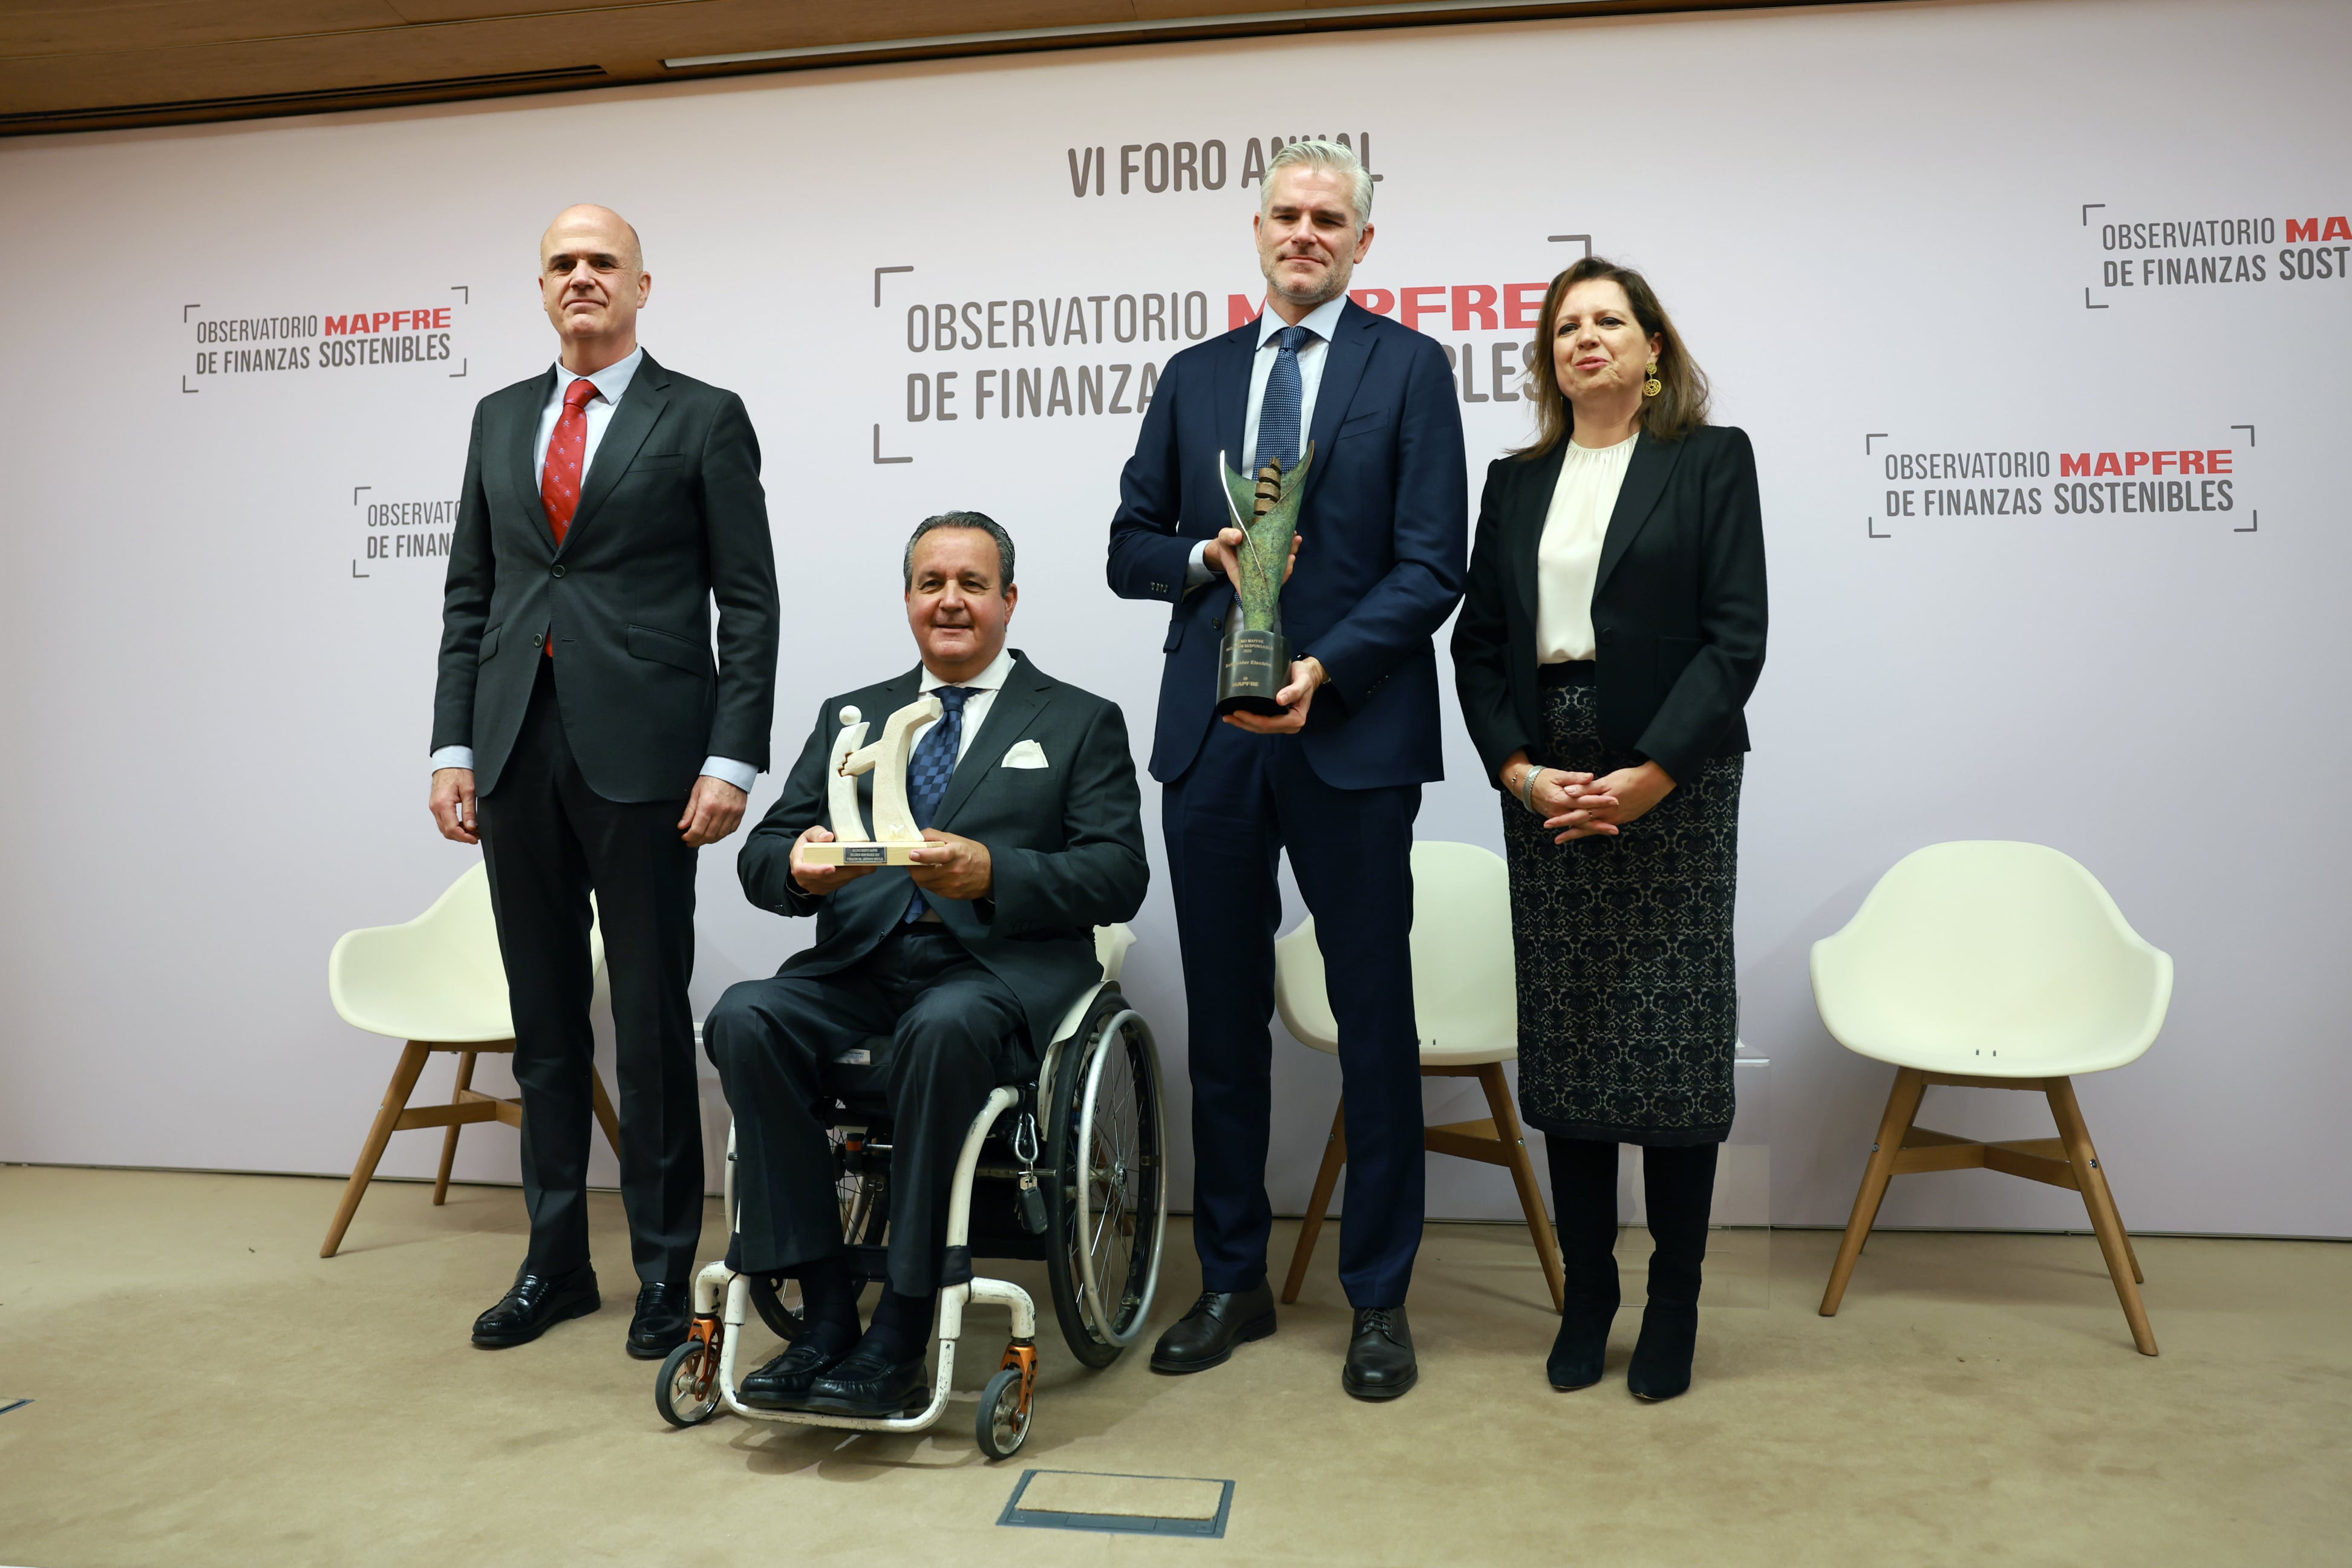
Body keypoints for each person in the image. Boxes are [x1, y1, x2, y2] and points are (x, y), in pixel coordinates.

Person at [1106, 139, 1467, 1400]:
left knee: (1375, 1025)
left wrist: (1329, 670)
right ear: (1254, 232)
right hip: (1210, 741)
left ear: (1364, 245)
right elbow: (1126, 543)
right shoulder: (1195, 376)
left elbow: (1433, 567)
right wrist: (1201, 561)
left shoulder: (1409, 370)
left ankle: (1378, 1299)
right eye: (1286, 216)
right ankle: (1234, 1282)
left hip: (1349, 736)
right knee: (1225, 1028)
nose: (1305, 234)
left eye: (1330, 219)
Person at [430, 204, 779, 1358]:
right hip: (515, 751)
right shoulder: (496, 419)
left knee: (646, 1024)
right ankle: (555, 1264)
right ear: (541, 288)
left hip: (647, 762)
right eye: (562, 264)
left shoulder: (703, 418)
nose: (582, 278)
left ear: (641, 287)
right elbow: (470, 601)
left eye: (603, 264)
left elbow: (750, 600)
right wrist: (451, 748)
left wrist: (730, 756)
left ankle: (667, 1277)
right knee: (543, 1034)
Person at [705, 512, 1148, 1419]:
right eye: (931, 583)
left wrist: (996, 872)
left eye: (972, 584)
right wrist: (794, 864)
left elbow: (1119, 874)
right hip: (862, 964)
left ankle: (905, 1318)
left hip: (995, 972)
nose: (951, 600)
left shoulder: (1076, 720)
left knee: (941, 1029)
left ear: (1008, 601)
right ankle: (827, 1309)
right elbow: (764, 855)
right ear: (908, 599)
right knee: (743, 1015)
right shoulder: (851, 716)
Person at [1451, 256, 1766, 1401]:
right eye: (1567, 326)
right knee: (1574, 1036)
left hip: (1674, 779)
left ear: (1652, 351)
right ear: (1549, 356)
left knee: (1674, 1046)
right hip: (1547, 778)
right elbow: (1480, 647)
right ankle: (1590, 1297)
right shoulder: (1516, 480)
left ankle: (1674, 1299)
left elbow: (1736, 641)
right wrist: (1522, 773)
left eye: (1610, 323)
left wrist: (1648, 778)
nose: (1587, 339)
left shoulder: (1709, 462)